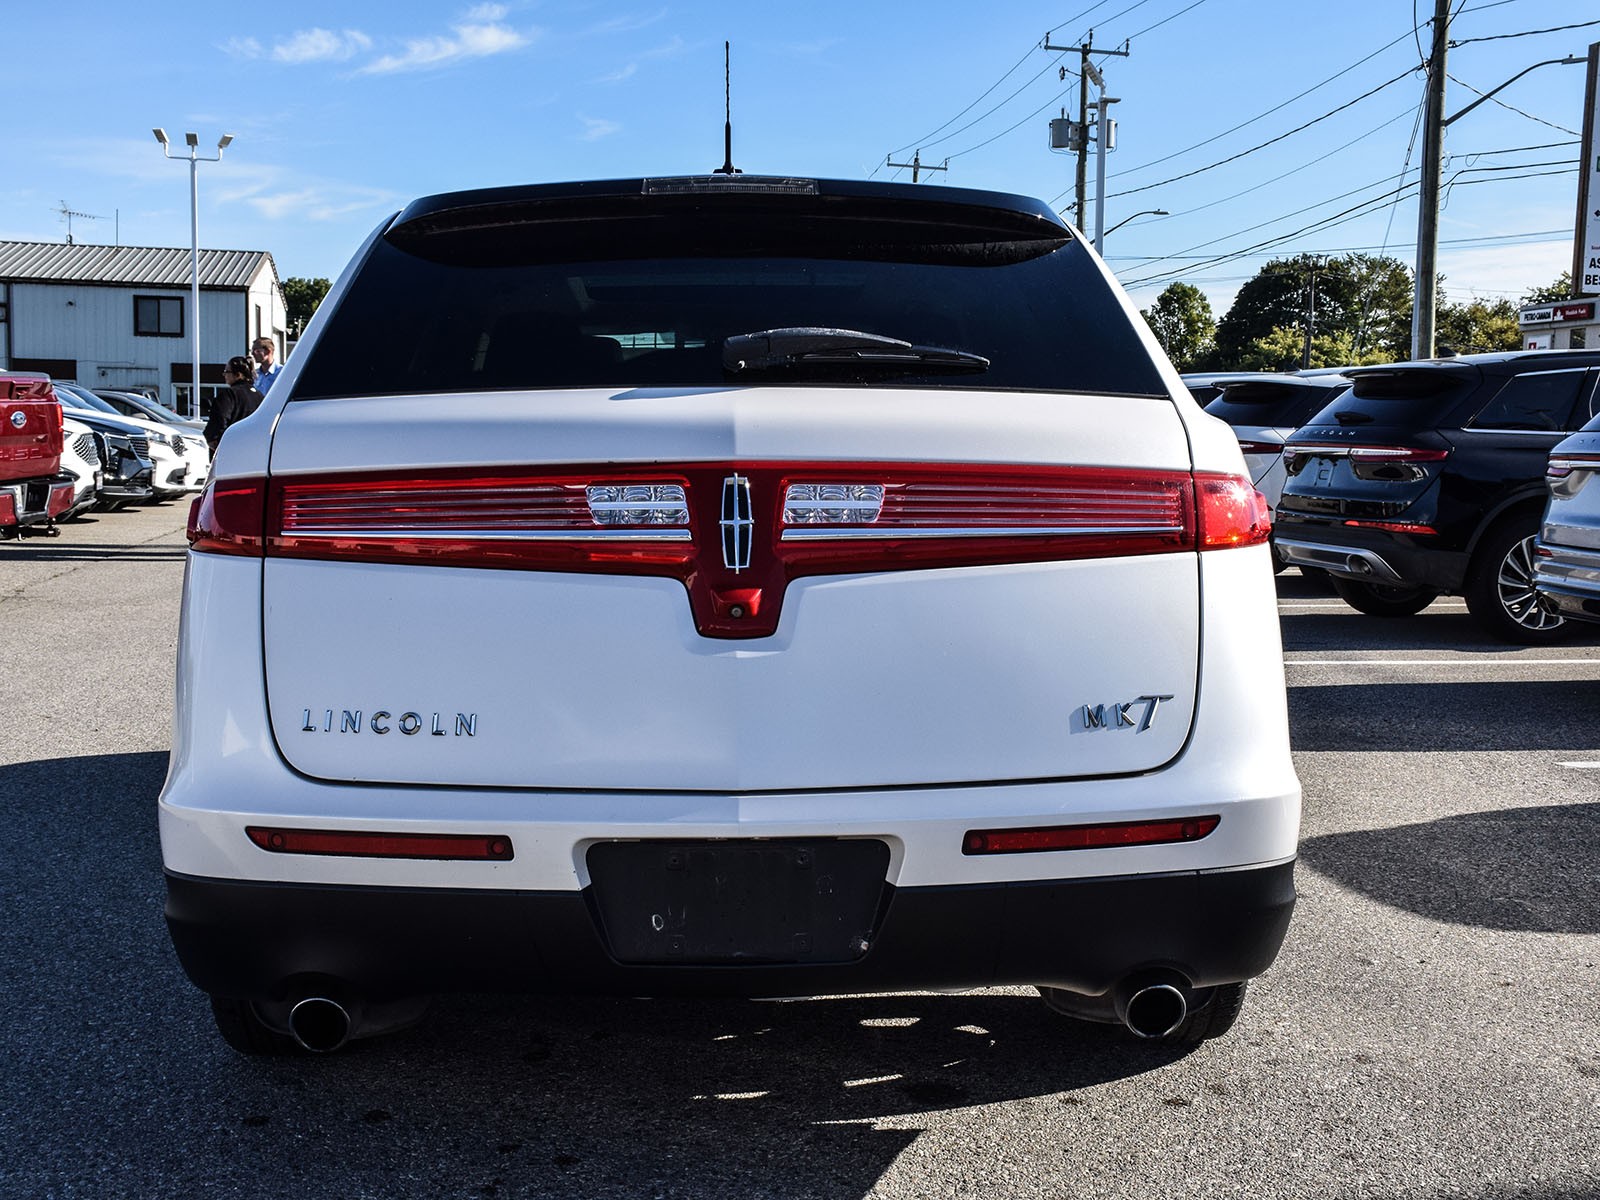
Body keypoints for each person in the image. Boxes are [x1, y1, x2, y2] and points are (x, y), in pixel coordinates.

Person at [205, 356, 264, 455]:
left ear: (238, 375)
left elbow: (219, 419)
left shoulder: (229, 395)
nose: (224, 374)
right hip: (255, 449)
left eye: (227, 371)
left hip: (231, 450)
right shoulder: (259, 395)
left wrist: (213, 439)